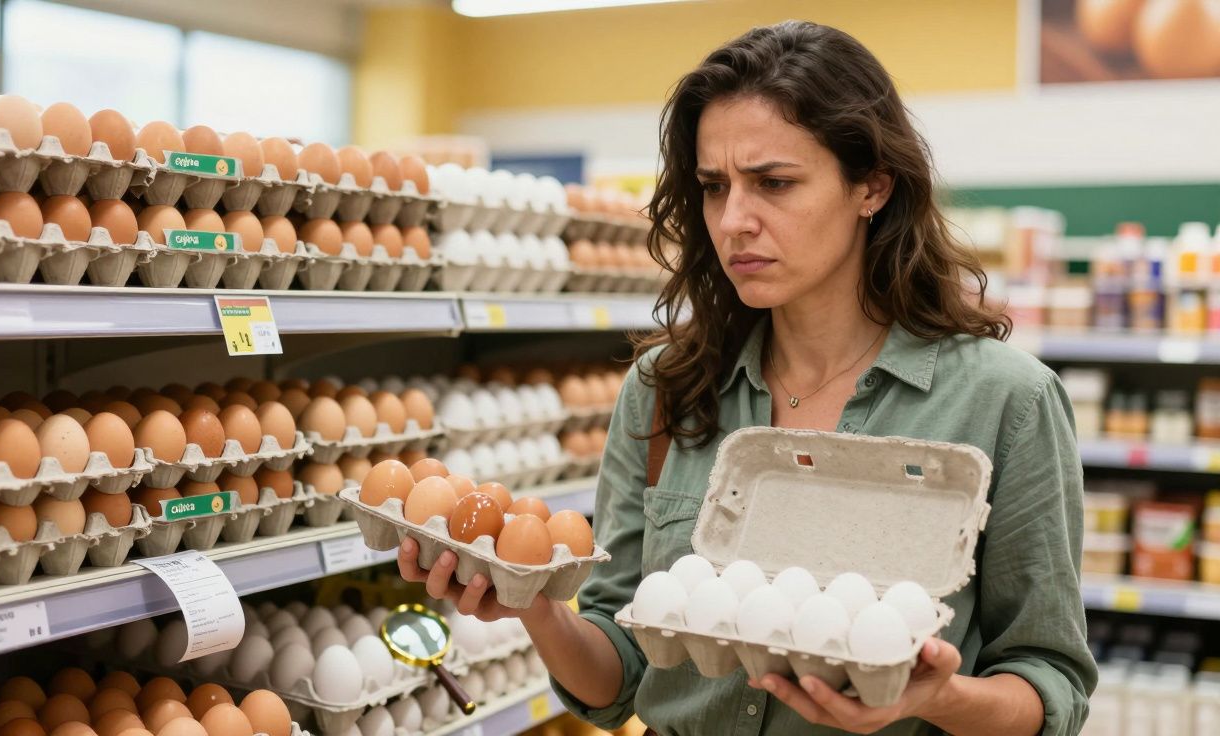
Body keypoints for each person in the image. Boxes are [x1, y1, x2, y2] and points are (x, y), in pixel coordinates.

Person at [398, 20, 1096, 736]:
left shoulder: (1005, 403)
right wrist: (537, 607)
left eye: (774, 183)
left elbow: (1049, 684)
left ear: (872, 186)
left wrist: (933, 698)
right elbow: (620, 680)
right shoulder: (665, 390)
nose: (733, 220)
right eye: (713, 187)